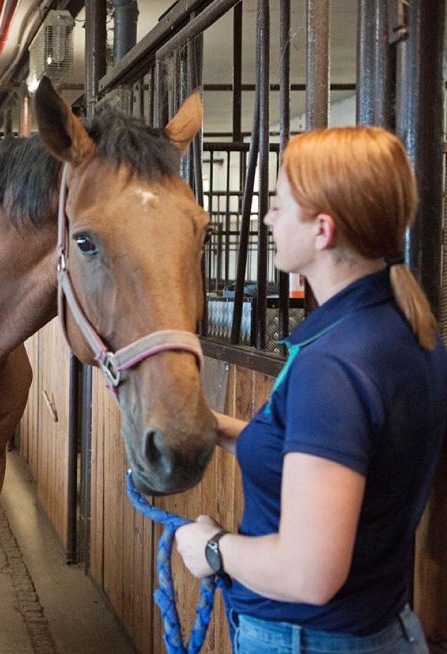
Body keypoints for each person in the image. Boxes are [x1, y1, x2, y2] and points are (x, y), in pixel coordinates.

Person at [175, 126, 446, 653]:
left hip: (305, 638)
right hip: (373, 628)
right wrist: (214, 426)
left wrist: (212, 548)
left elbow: (309, 574)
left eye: (279, 205)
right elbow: (319, 454)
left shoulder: (335, 366)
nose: (269, 218)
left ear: (323, 230)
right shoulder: (404, 331)